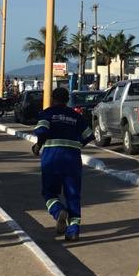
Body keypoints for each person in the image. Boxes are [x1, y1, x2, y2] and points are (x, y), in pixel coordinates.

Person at [32, 86, 93, 241]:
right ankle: (73, 230)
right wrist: (76, 145)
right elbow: (88, 135)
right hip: (72, 159)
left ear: (53, 99)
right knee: (73, 195)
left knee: (49, 192)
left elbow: (41, 131)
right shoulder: (76, 116)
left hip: (52, 158)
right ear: (67, 100)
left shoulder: (48, 113)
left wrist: (38, 145)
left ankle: (58, 211)